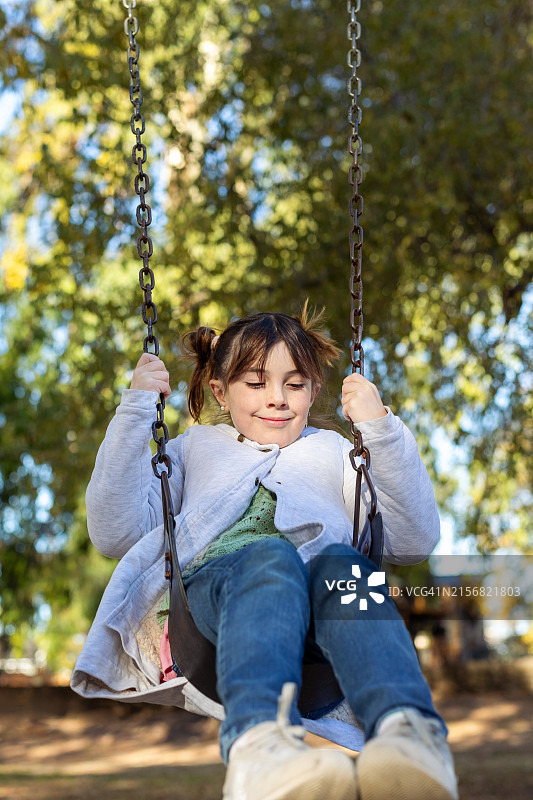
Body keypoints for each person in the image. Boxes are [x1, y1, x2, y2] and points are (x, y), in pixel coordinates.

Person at [71, 306, 459, 800]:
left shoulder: (338, 453)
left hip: (321, 616)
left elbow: (413, 541)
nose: (277, 399)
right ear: (219, 391)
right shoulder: (194, 449)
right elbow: (113, 531)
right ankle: (261, 749)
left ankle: (409, 738)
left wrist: (380, 429)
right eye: (255, 383)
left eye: (294, 385)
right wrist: (135, 410)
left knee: (349, 570)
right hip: (215, 604)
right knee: (269, 560)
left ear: (315, 389)